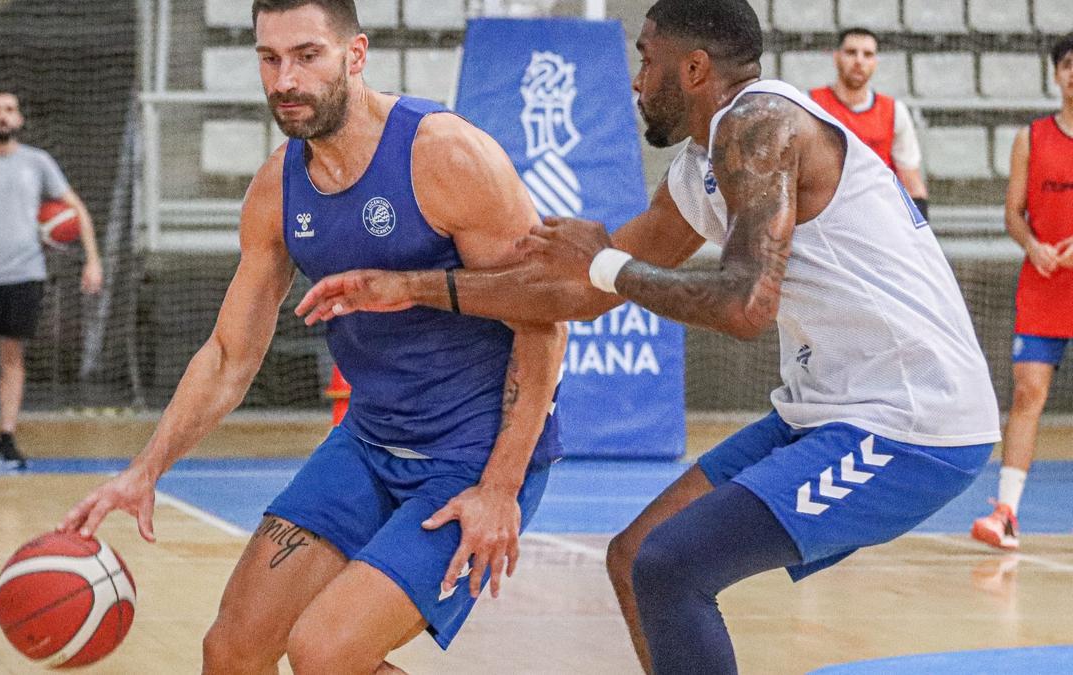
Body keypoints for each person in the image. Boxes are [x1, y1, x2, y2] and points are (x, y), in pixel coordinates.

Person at [294, 1, 1001, 672]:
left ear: (693, 69)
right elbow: (581, 294)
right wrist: (413, 288)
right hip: (828, 409)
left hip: (913, 422)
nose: (635, 80)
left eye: (647, 58)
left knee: (673, 564)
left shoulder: (761, 124)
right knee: (636, 557)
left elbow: (746, 304)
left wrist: (603, 261)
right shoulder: (702, 165)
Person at [59, 1, 565, 672]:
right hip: (369, 440)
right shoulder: (278, 187)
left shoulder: (444, 155)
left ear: (354, 55)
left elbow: (544, 317)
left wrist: (501, 484)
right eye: (269, 59)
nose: (284, 80)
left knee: (325, 651)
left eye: (306, 56)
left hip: (471, 453)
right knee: (232, 650)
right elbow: (229, 356)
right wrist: (145, 468)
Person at [0, 90, 103, 473]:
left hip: (26, 275)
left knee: (13, 358)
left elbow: (77, 209)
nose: (2, 116)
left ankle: (6, 439)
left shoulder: (37, 162)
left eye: (10, 110)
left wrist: (93, 260)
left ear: (19, 120)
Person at [971, 34, 1073, 551]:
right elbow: (1013, 212)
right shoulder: (1030, 138)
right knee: (1028, 392)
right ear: (1056, 74)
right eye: (1070, 66)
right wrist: (1032, 245)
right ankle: (1006, 511)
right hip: (1045, 285)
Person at [809, 28, 929, 219]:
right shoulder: (810, 105)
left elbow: (912, 184)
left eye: (868, 54)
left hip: (878, 215)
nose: (859, 60)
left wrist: (921, 239)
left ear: (875, 62)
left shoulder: (894, 111)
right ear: (836, 57)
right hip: (824, 215)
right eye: (851, 52)